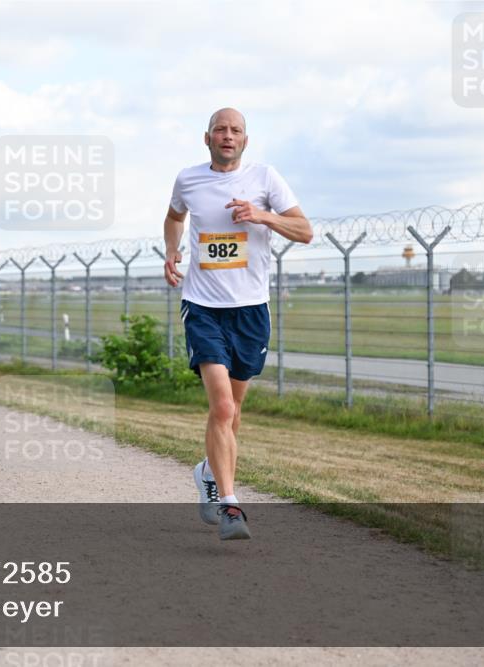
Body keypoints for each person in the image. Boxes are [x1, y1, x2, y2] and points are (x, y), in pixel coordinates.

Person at [163, 108, 313, 540]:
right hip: (203, 306)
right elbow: (175, 217)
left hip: (251, 310)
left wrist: (263, 215)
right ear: (206, 137)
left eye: (236, 131)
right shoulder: (188, 179)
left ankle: (208, 470)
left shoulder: (266, 178)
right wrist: (172, 252)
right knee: (222, 407)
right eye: (220, 130)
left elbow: (305, 231)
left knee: (234, 411)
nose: (228, 136)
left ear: (245, 140)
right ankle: (230, 505)